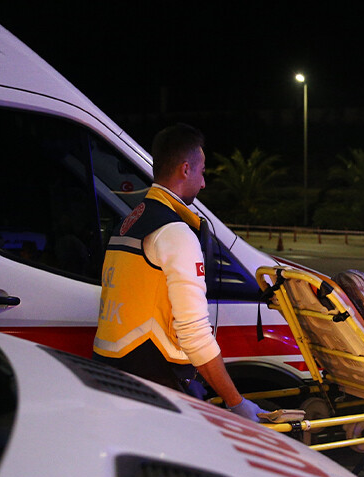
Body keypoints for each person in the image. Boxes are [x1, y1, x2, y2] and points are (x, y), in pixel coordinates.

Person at [92, 123, 265, 422]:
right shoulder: (174, 232)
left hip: (111, 373)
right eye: (202, 172)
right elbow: (194, 334)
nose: (204, 183)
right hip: (155, 385)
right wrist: (236, 402)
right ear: (186, 169)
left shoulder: (129, 222)